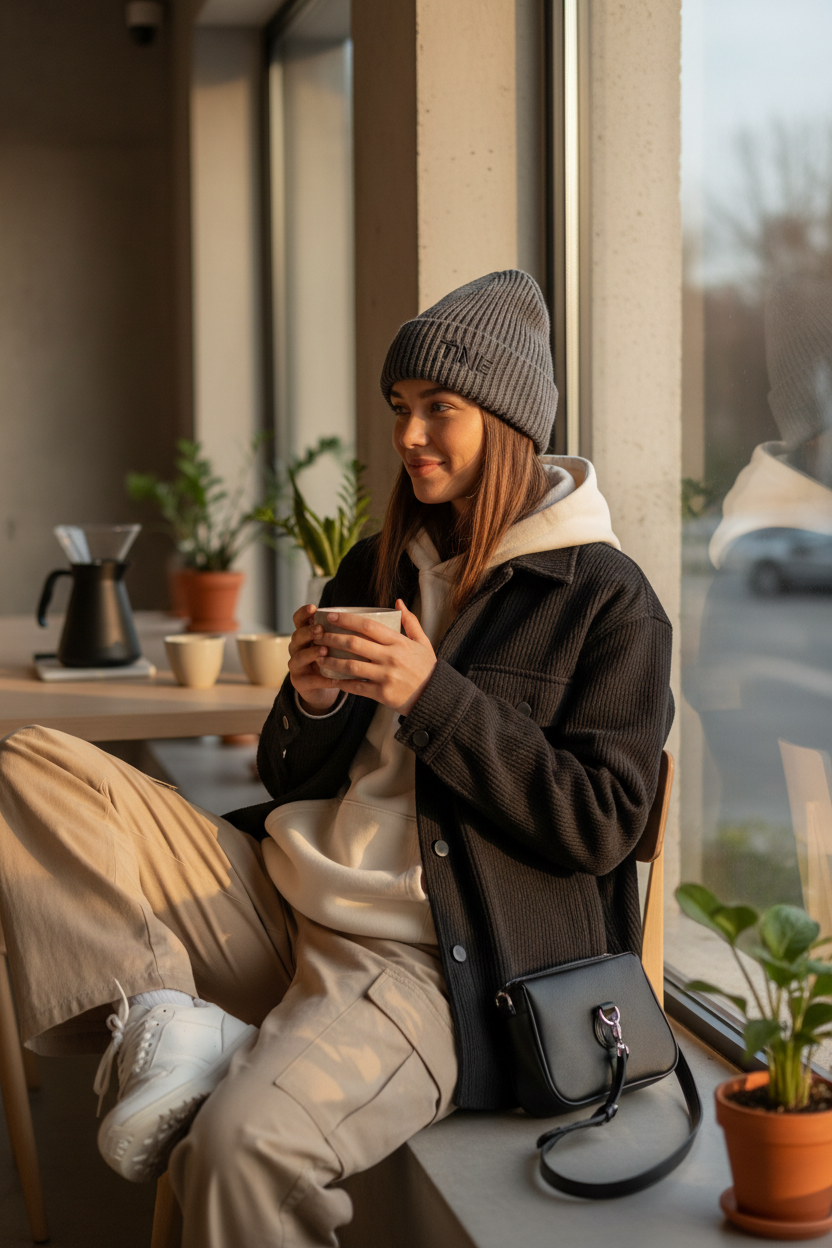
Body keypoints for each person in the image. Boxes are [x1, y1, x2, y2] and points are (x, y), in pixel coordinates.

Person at [0, 270, 673, 1248]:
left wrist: (431, 695)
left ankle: (211, 1049)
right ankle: (168, 1016)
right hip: (281, 903)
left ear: (506, 418)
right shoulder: (379, 561)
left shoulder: (606, 600)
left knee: (234, 1153)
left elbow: (601, 826)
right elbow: (290, 779)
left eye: (438, 409)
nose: (408, 435)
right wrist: (312, 700)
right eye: (401, 407)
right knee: (33, 763)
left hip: (429, 963)